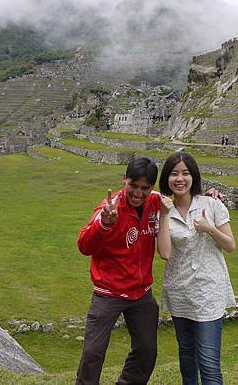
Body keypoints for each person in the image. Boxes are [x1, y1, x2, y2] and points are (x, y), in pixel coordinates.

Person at [76, 157, 163, 385]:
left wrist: (208, 196)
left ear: (151, 188)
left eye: (144, 188)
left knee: (147, 350)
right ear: (124, 180)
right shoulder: (109, 208)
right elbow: (84, 246)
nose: (137, 193)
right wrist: (104, 225)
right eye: (133, 185)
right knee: (93, 352)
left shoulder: (155, 202)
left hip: (142, 293)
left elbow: (183, 201)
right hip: (108, 292)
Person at [158, 152, 236, 385]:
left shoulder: (211, 205)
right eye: (174, 174)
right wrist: (163, 215)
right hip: (180, 291)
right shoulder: (162, 210)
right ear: (167, 179)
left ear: (194, 176)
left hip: (208, 292)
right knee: (186, 356)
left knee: (209, 364)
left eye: (185, 173)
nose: (179, 179)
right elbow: (164, 253)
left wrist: (210, 229)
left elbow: (230, 246)